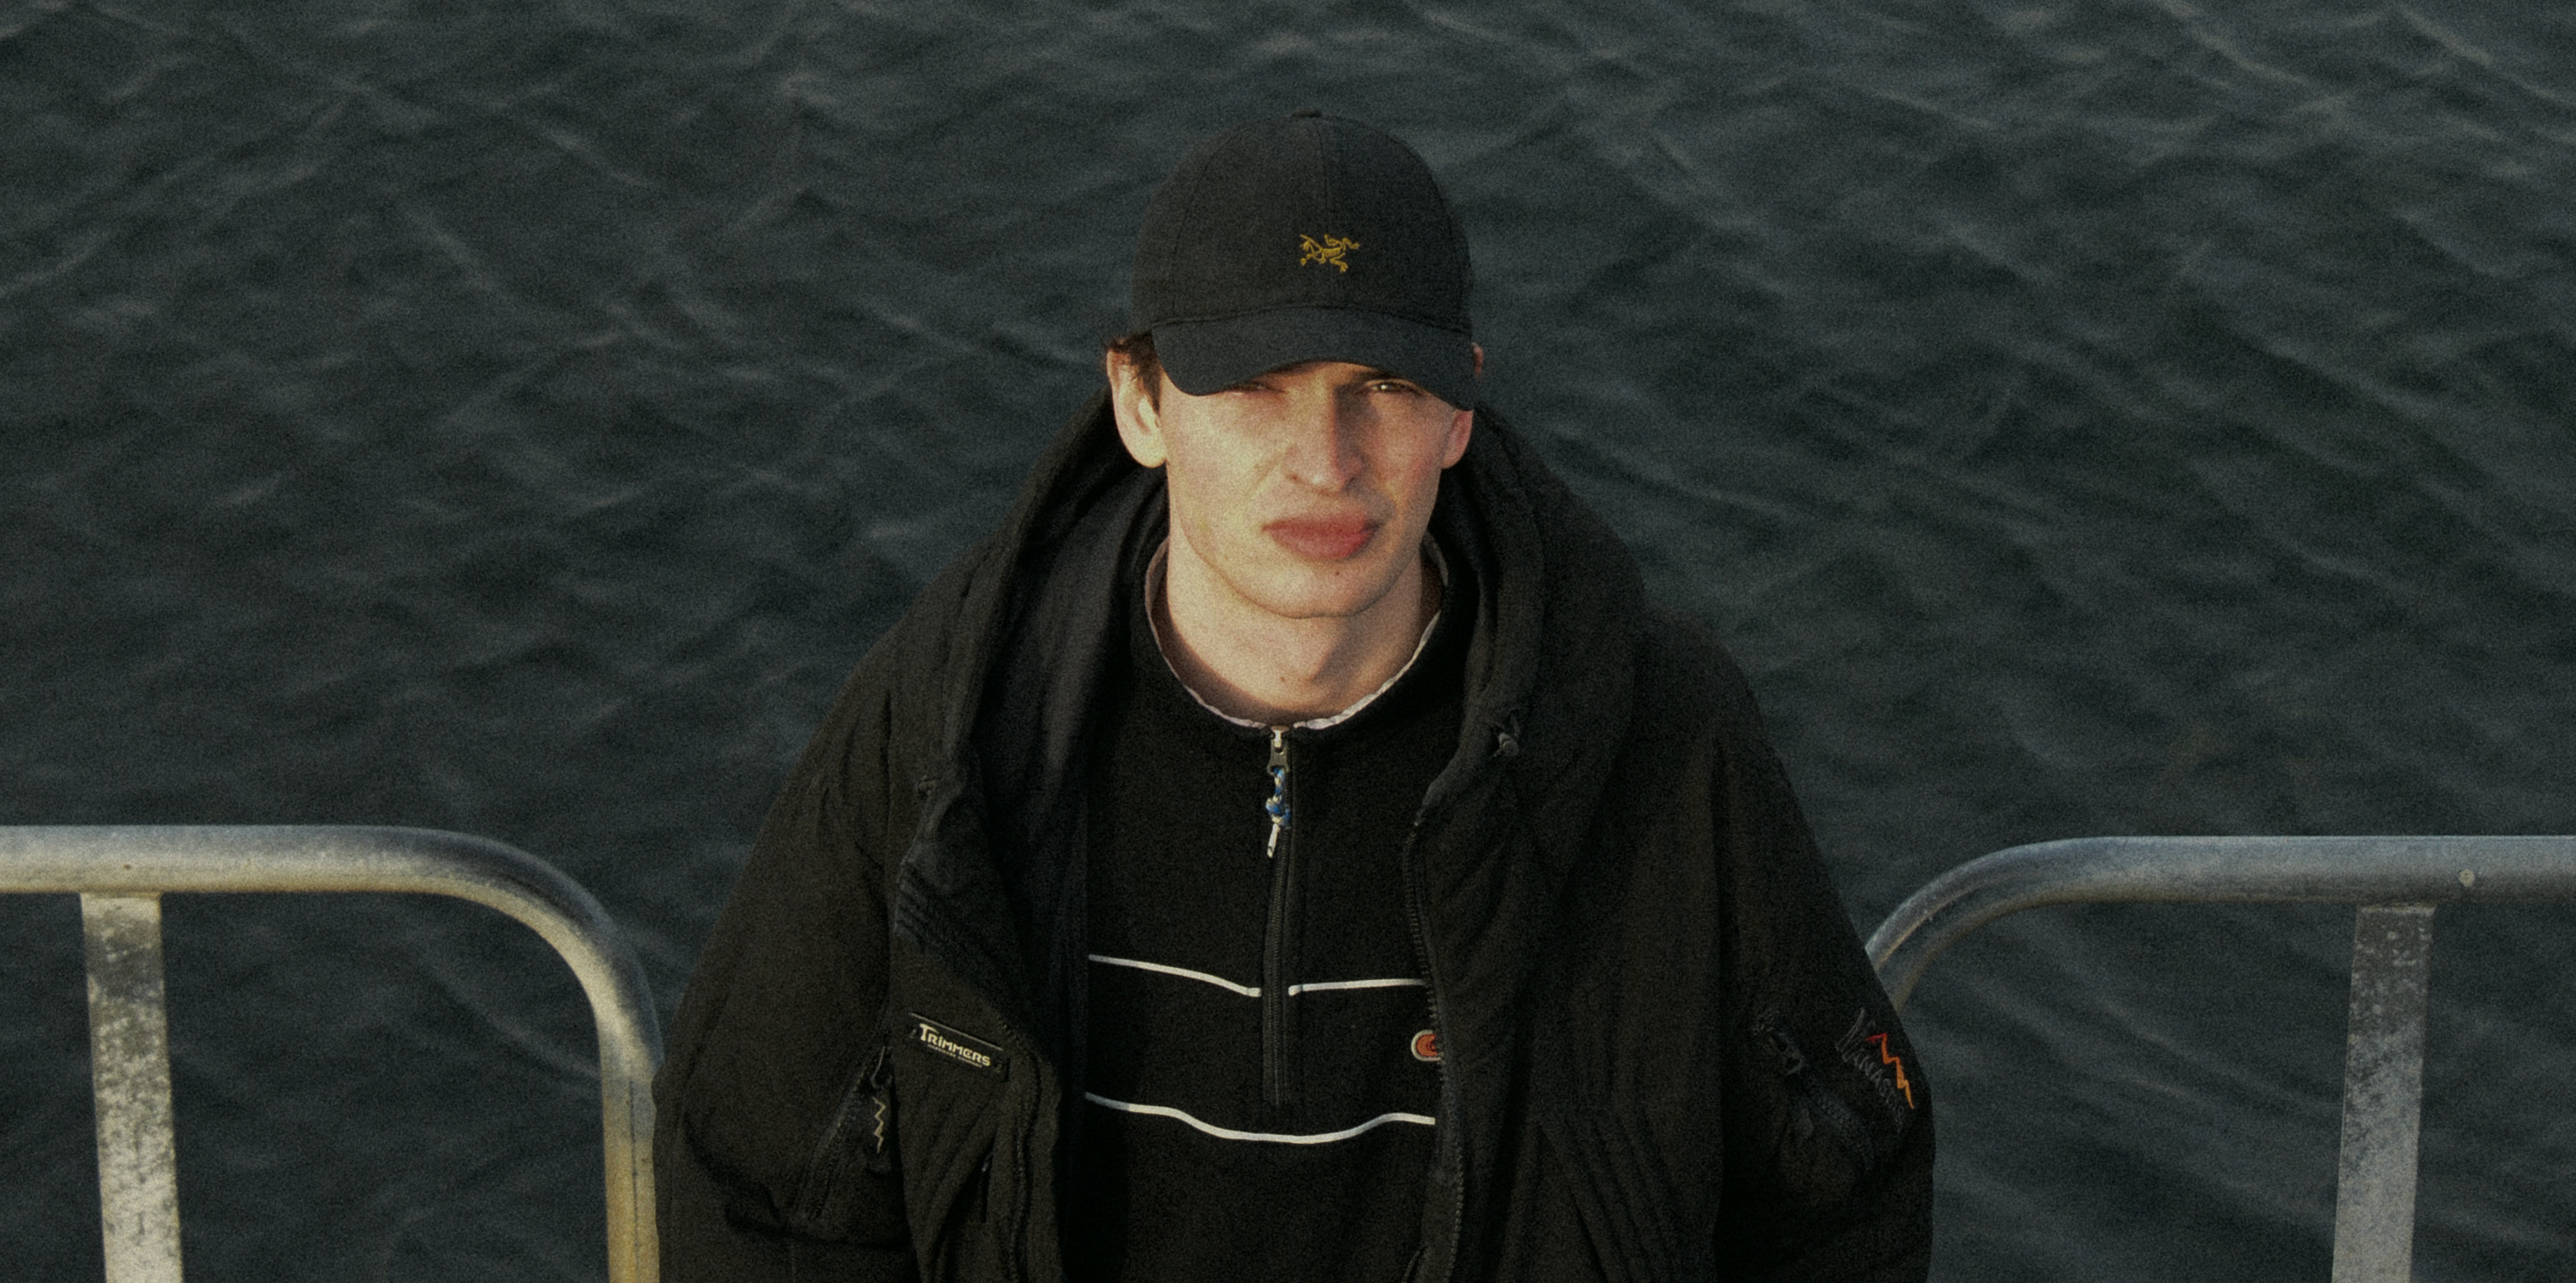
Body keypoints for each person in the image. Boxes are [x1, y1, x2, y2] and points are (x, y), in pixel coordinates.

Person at [654, 110, 1934, 1282]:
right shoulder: (954, 723)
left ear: (1460, 410)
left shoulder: (1655, 734)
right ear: (1140, 401)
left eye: (1382, 387)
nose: (1325, 461)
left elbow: (1839, 1192)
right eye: (1255, 386)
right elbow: (758, 1178)